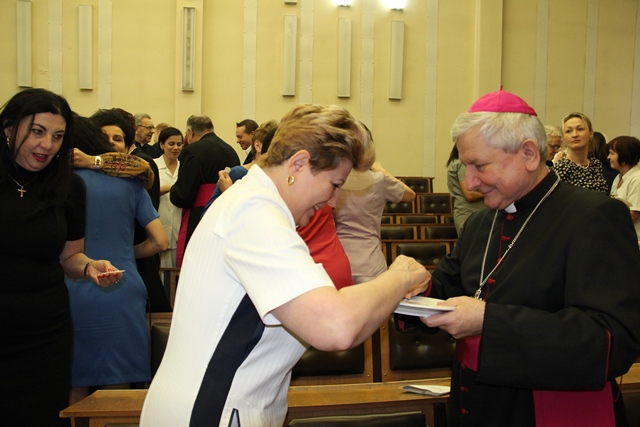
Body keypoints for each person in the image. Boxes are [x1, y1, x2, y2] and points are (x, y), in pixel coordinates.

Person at [140, 104, 430, 427]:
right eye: (335, 185)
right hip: (210, 411)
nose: (334, 202)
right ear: (298, 164)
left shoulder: (256, 205)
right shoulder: (254, 212)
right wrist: (400, 275)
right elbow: (335, 326)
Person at [408, 90, 640, 426]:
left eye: (478, 165)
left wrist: (489, 320)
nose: (469, 182)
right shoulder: (481, 222)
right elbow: (449, 286)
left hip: (549, 410)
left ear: (529, 154)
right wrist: (409, 289)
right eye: (465, 166)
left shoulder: (595, 216)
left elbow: (612, 340)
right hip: (475, 405)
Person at [0, 89, 121, 426]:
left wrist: (90, 266)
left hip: (44, 331)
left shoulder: (69, 187)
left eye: (57, 136)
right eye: (37, 131)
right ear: (8, 128)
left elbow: (70, 257)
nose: (47, 145)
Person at [66, 116, 168, 404]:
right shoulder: (130, 184)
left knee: (75, 380)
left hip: (74, 286)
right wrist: (125, 252)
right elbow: (160, 241)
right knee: (118, 384)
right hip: (122, 285)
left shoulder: (65, 183)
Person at [91, 108, 171, 312]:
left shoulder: (135, 178)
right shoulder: (131, 183)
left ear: (128, 146)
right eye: (104, 138)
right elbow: (160, 241)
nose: (110, 143)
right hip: (115, 272)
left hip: (115, 269)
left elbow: (160, 241)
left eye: (117, 138)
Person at [170, 114, 240, 267]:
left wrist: (174, 191)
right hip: (225, 214)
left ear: (190, 132)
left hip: (200, 215)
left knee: (198, 262)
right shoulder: (230, 150)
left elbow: (183, 195)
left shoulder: (192, 151)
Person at [334, 158, 416, 284]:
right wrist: (381, 170)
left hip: (338, 259)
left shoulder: (333, 178)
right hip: (370, 260)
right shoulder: (378, 179)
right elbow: (410, 195)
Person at [203, 119, 278, 211]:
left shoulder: (271, 178)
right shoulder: (238, 173)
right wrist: (229, 192)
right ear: (258, 146)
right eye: (274, 146)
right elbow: (209, 212)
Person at [553, 112, 608, 192]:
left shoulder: (596, 164)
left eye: (580, 129)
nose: (575, 135)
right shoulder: (561, 168)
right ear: (563, 138)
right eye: (568, 131)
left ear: (591, 133)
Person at [154, 127, 184, 268]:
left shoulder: (185, 167)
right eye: (171, 144)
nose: (175, 148)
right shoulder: (153, 165)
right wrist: (172, 187)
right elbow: (149, 192)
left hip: (179, 224)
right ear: (161, 145)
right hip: (159, 224)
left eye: (179, 144)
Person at [446, 144, 484, 235]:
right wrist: (492, 192)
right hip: (469, 213)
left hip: (469, 212)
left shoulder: (455, 163)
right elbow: (469, 194)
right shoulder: (461, 164)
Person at [608, 135, 640, 243]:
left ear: (624, 155)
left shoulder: (637, 179)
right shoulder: (618, 177)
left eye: (612, 153)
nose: (608, 157)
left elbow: (633, 214)